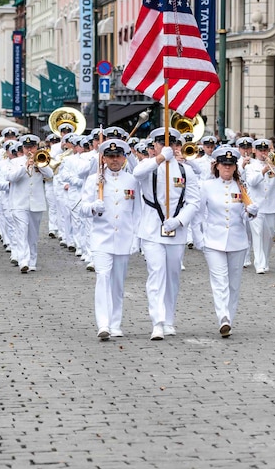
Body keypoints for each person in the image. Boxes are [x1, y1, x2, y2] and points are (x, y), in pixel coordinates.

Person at [134, 128, 200, 340]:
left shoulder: (185, 171)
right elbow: (137, 173)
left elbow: (194, 201)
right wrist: (161, 157)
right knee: (157, 273)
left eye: (172, 144)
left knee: (172, 276)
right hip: (152, 230)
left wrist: (180, 220)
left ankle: (169, 319)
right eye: (162, 143)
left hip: (176, 231)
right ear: (154, 146)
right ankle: (158, 322)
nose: (169, 147)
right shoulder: (148, 166)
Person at [80, 140, 141, 340]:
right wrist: (92, 207)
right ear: (103, 158)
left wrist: (136, 239)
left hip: (124, 238)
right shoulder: (94, 180)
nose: (114, 160)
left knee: (118, 284)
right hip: (101, 239)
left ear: (124, 158)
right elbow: (82, 208)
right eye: (110, 156)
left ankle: (115, 324)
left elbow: (137, 212)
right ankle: (103, 323)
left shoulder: (132, 181)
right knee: (103, 278)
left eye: (118, 156)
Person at [199, 146, 258, 337]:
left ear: (235, 167)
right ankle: (222, 316)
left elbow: (243, 214)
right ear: (216, 166)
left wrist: (251, 212)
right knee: (219, 281)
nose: (227, 168)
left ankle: (229, 320)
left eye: (230, 165)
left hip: (237, 240)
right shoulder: (206, 186)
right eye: (224, 164)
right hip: (213, 240)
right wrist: (199, 238)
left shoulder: (241, 186)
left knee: (234, 283)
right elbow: (199, 214)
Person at [3, 134, 52, 274]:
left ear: (37, 147)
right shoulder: (15, 162)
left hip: (36, 202)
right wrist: (25, 167)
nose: (29, 149)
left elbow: (50, 175)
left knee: (33, 234)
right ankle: (23, 261)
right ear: (22, 148)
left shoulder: (42, 159)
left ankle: (32, 261)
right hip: (18, 202)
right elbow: (10, 177)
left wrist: (40, 165)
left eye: (32, 147)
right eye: (26, 147)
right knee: (21, 231)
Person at [245, 138, 275, 274]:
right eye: (260, 150)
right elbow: (251, 182)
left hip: (271, 205)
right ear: (255, 151)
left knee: (269, 235)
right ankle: (259, 264)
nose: (263, 153)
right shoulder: (250, 166)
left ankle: (266, 261)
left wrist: (274, 167)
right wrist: (263, 171)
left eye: (265, 150)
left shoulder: (273, 164)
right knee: (257, 234)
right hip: (256, 206)